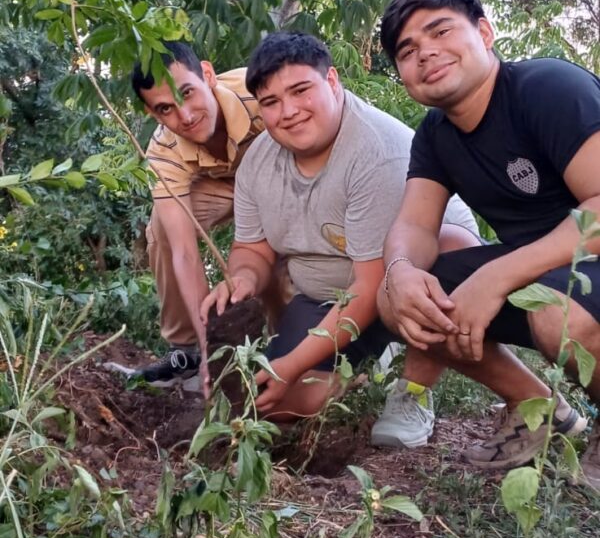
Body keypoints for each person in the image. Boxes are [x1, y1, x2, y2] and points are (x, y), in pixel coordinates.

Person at [377, 0, 599, 489]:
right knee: (397, 297)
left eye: (440, 32)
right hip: (544, 269)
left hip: (582, 267)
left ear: (484, 32)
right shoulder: (436, 134)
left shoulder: (547, 88)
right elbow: (415, 224)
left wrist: (496, 277)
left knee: (556, 312)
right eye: (407, 50)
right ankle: (537, 408)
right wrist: (401, 270)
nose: (425, 53)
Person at [201, 30, 479, 434]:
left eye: (300, 91)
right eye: (271, 102)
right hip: (325, 295)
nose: (289, 111)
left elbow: (370, 285)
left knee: (451, 249)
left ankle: (414, 391)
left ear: (332, 81)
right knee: (281, 405)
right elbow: (252, 249)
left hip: (401, 281)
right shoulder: (257, 164)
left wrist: (290, 365)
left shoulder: (375, 152)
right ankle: (363, 366)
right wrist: (242, 277)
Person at [130, 41, 263, 387]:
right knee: (162, 227)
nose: (185, 116)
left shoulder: (260, 90)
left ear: (207, 74)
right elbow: (184, 253)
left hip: (278, 181)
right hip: (222, 188)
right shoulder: (163, 150)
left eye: (187, 92)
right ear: (152, 113)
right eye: (166, 109)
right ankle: (188, 350)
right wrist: (209, 353)